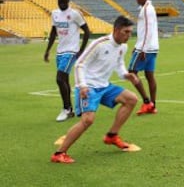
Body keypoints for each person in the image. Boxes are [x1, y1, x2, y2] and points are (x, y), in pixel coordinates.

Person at [51, 16, 139, 164]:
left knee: (131, 99)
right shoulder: (99, 44)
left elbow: (119, 63)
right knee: (88, 120)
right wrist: (83, 85)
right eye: (126, 32)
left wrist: (125, 74)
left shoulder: (123, 47)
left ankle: (112, 136)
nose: (129, 35)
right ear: (116, 30)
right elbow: (79, 64)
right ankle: (59, 154)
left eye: (130, 32)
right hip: (89, 86)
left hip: (104, 86)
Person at [44, 0, 90, 122]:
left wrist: (81, 50)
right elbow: (53, 32)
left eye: (65, 0)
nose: (62, 3)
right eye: (60, 0)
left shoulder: (75, 14)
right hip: (60, 51)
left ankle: (67, 109)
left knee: (59, 79)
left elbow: (87, 31)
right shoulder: (55, 14)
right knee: (65, 80)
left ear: (68, 0)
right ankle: (70, 110)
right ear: (57, 0)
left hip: (71, 51)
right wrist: (48, 50)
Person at [128, 0, 159, 115]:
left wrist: (142, 49)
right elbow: (146, 30)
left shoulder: (146, 9)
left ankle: (147, 102)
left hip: (146, 48)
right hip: (152, 47)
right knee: (149, 75)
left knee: (131, 72)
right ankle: (152, 105)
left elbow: (147, 30)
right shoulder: (148, 8)